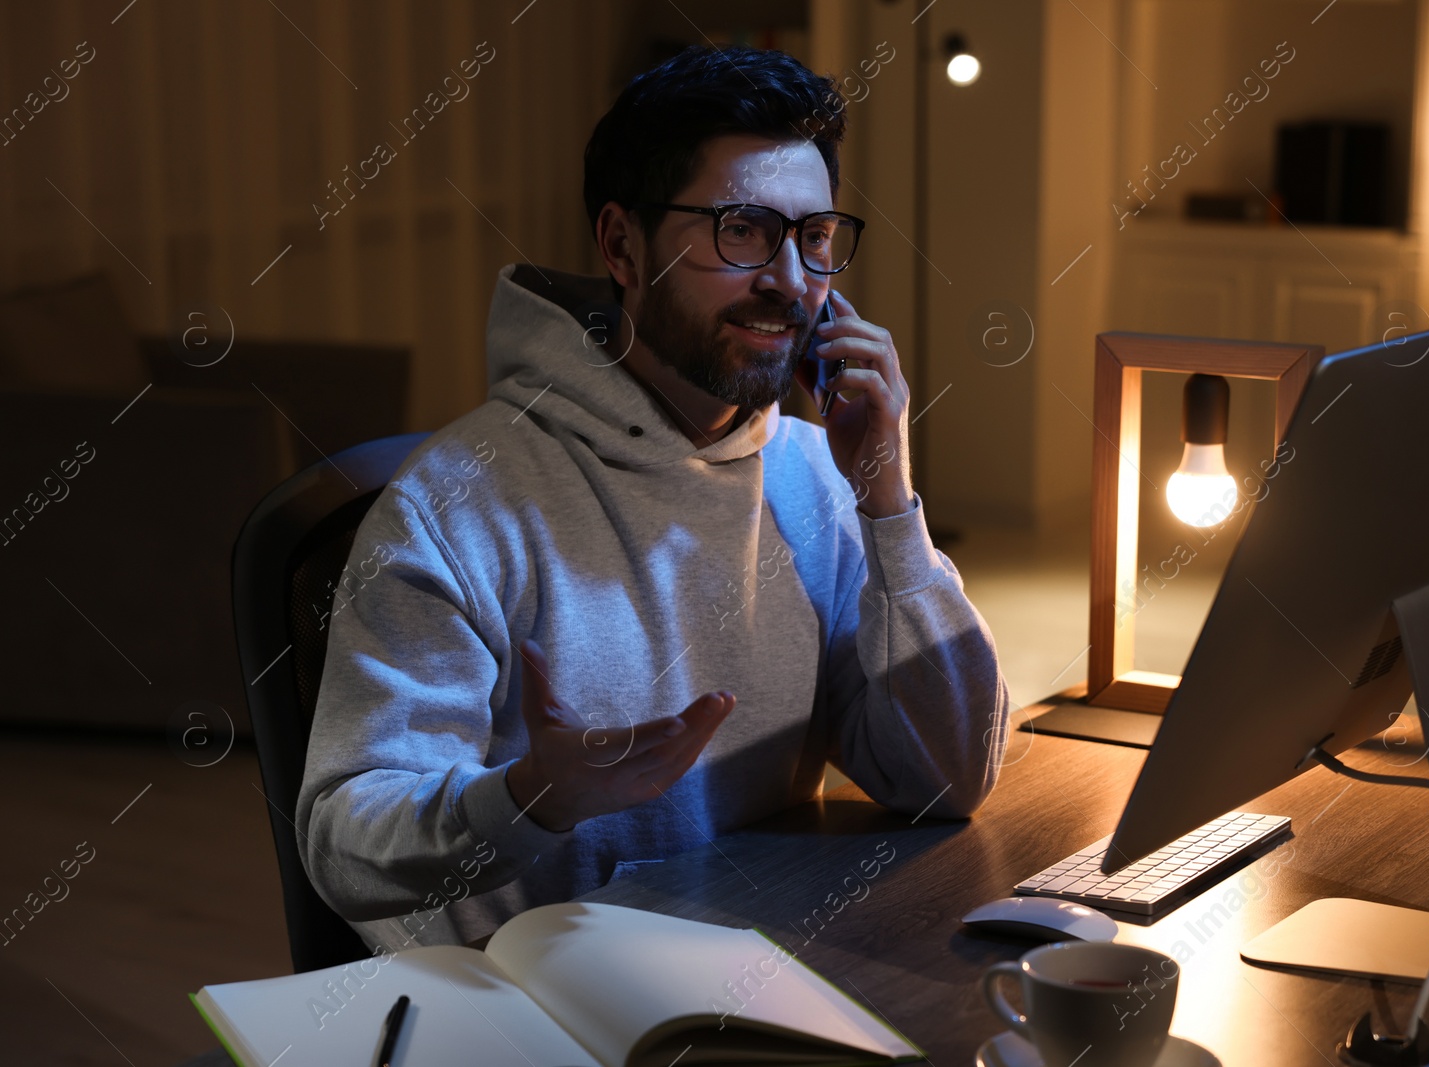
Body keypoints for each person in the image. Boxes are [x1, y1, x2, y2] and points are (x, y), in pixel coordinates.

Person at [296, 44, 1010, 952]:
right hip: (527, 1011)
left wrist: (888, 501)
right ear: (622, 246)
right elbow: (341, 843)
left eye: (815, 237)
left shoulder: (814, 473)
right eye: (741, 230)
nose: (790, 282)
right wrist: (525, 799)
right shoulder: (456, 505)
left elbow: (948, 780)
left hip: (751, 969)